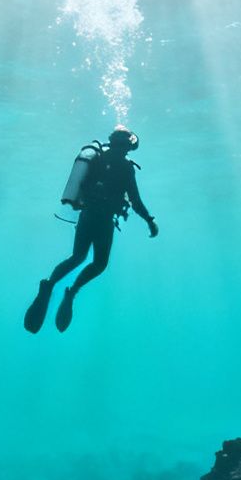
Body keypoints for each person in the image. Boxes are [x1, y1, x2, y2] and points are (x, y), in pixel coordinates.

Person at [25, 127, 158, 333]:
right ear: (128, 146)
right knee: (99, 263)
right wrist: (149, 220)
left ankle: (50, 285)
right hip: (103, 220)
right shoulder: (125, 167)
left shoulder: (97, 159)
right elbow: (135, 200)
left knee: (77, 257)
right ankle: (72, 292)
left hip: (87, 215)